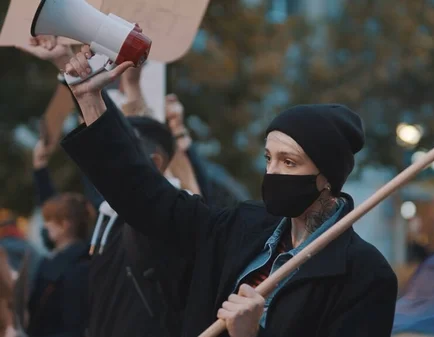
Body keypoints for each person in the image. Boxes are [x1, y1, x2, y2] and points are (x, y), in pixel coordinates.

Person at [60, 44, 398, 337]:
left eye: (290, 162)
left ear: (327, 177)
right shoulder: (240, 226)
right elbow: (148, 197)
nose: (273, 172)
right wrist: (91, 102)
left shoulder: (365, 275)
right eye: (269, 158)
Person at [85, 115, 193, 337]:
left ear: (155, 163)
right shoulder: (108, 215)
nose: (106, 165)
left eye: (119, 156)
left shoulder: (174, 218)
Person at [26, 193, 94, 337]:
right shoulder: (58, 259)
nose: (45, 225)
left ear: (65, 224)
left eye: (49, 220)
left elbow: (73, 324)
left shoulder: (79, 266)